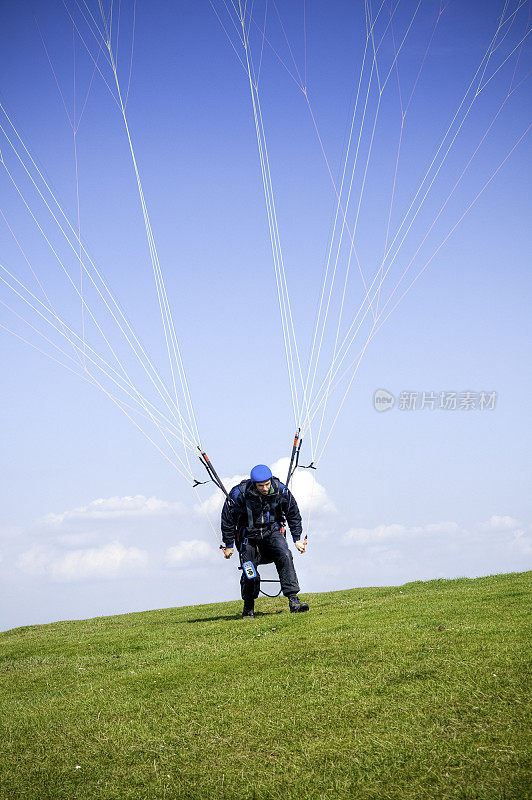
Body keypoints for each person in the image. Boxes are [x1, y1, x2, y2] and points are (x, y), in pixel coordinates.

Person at [221, 464, 309, 618]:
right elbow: (227, 520)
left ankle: (294, 600)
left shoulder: (281, 490)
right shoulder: (238, 494)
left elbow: (293, 513)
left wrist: (297, 539)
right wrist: (229, 545)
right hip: (248, 539)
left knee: (285, 555)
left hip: (272, 534)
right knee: (250, 573)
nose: (265, 488)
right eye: (261, 485)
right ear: (254, 484)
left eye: (267, 484)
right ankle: (248, 607)